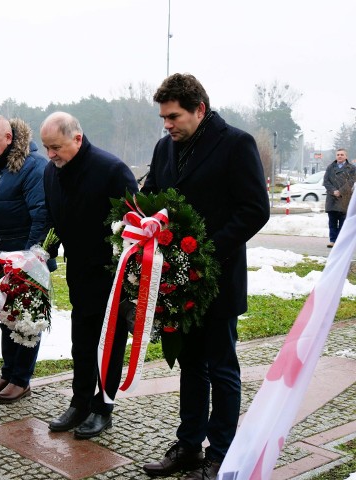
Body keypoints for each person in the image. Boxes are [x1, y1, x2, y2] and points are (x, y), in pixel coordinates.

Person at [141, 74, 270, 480]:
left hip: (218, 277)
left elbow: (254, 209)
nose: (167, 125)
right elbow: (152, 195)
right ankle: (189, 446)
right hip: (177, 283)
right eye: (163, 118)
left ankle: (222, 455)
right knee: (191, 365)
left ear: (199, 109)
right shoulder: (165, 147)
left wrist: (206, 252)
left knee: (222, 368)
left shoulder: (236, 143)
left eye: (173, 116)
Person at [40, 112, 138, 439]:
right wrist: (45, 252)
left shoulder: (112, 170)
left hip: (112, 276)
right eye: (46, 148)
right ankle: (80, 402)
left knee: (108, 345)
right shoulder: (50, 173)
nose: (50, 155)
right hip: (79, 274)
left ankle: (103, 407)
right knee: (81, 344)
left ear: (77, 138)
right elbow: (54, 221)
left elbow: (134, 226)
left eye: (55, 147)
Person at [0, 114, 54, 404]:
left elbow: (41, 213)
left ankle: (21, 380)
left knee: (26, 319)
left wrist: (31, 258)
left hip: (26, 260)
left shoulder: (33, 167)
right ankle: (7, 373)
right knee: (5, 316)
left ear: (9, 138)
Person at [323, 148, 356, 248]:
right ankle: (333, 240)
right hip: (332, 198)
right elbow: (326, 181)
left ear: (346, 156)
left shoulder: (351, 168)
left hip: (344, 198)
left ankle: (341, 241)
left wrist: (340, 191)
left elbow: (351, 181)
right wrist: (334, 191)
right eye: (338, 154)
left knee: (343, 222)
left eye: (342, 154)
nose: (340, 156)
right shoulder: (330, 167)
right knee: (332, 222)